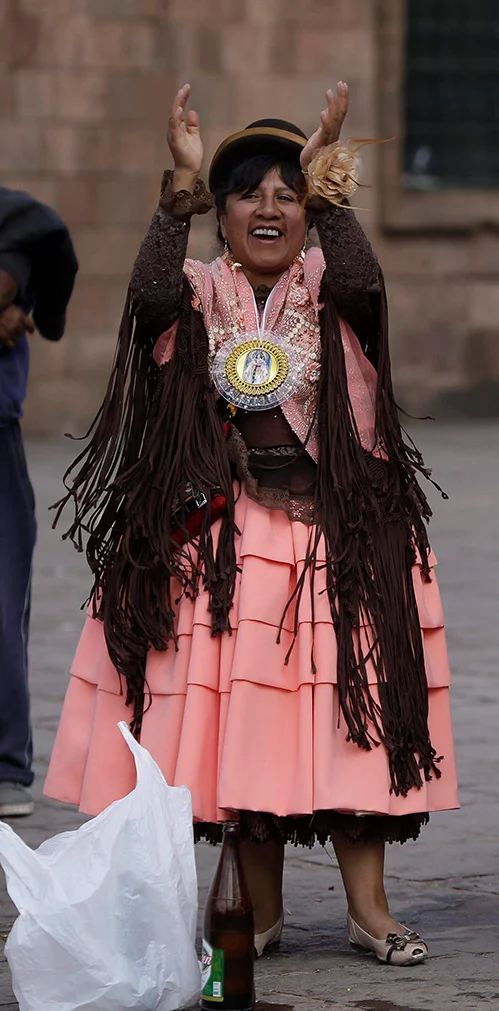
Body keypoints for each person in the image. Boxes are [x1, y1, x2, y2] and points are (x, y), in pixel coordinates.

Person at [43, 83, 458, 966]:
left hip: (338, 539)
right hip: (228, 543)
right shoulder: (196, 291)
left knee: (357, 721)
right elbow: (147, 303)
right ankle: (258, 911)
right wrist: (178, 189)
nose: (270, 206)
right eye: (248, 192)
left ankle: (370, 910)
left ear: (308, 211)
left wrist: (331, 185)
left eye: (288, 192)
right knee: (248, 733)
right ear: (221, 213)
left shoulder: (329, 288)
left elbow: (366, 283)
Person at [0, 187, 77, 820]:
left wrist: (29, 301)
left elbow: (49, 241)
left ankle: (4, 766)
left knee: (2, 601)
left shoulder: (17, 222)